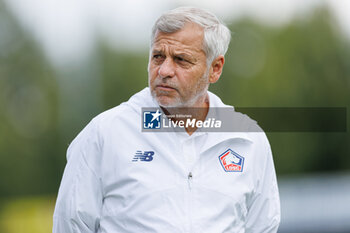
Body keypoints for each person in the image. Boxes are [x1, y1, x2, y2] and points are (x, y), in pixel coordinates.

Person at [53, 6, 280, 233]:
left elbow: (263, 227)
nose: (164, 70)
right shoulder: (105, 134)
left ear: (215, 68)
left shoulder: (248, 139)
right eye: (158, 57)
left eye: (181, 60)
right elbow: (70, 226)